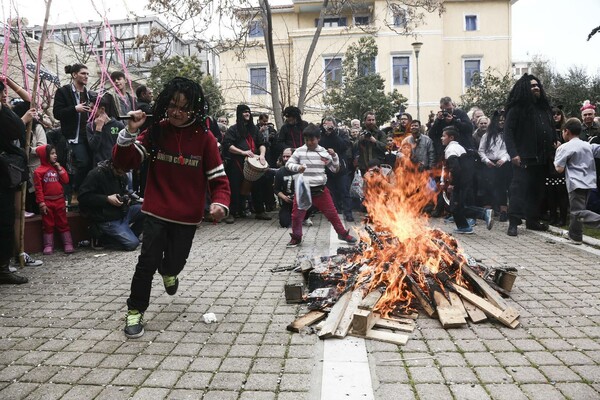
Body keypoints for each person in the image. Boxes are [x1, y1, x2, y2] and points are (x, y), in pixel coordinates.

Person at [112, 77, 230, 339]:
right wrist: (130, 132)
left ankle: (169, 272)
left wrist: (221, 202)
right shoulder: (157, 130)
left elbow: (219, 179)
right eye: (173, 105)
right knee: (146, 263)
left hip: (187, 217)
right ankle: (135, 311)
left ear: (195, 109)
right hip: (156, 210)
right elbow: (125, 161)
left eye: (184, 108)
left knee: (174, 262)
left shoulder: (205, 138)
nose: (177, 113)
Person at [285, 123, 357, 248]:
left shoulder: (324, 152)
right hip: (303, 190)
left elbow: (335, 169)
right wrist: (298, 167)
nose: (309, 143)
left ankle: (342, 234)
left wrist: (334, 156)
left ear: (318, 139)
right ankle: (296, 237)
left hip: (321, 191)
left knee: (332, 215)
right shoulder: (299, 151)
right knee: (297, 216)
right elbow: (288, 164)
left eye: (312, 140)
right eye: (307, 140)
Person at [504, 74, 555, 236]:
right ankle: (513, 223)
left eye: (537, 85)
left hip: (542, 158)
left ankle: (532, 221)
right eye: (532, 86)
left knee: (537, 191)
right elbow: (508, 134)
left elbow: (550, 129)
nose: (536, 88)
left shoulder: (544, 109)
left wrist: (555, 141)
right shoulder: (516, 109)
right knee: (519, 190)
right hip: (524, 158)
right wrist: (513, 154)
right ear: (524, 89)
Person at [78, 159, 144, 251]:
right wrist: (106, 199)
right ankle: (105, 239)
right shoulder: (96, 174)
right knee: (132, 244)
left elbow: (124, 191)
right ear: (113, 166)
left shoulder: (122, 175)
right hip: (106, 219)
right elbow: (83, 197)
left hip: (121, 212)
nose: (122, 174)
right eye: (120, 172)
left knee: (146, 210)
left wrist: (127, 198)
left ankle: (131, 235)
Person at [554, 118, 600, 244]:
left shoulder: (565, 147)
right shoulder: (588, 145)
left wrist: (557, 158)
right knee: (578, 210)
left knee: (578, 212)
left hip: (576, 183)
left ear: (566, 131)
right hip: (589, 183)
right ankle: (575, 236)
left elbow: (559, 169)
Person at [52, 63, 93, 206]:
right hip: (73, 137)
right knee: (83, 162)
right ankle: (75, 192)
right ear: (74, 75)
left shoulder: (88, 94)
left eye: (87, 74)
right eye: (83, 73)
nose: (86, 76)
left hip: (89, 134)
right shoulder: (63, 92)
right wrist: (75, 109)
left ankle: (87, 193)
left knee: (95, 163)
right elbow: (57, 113)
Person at [440, 126, 494, 234]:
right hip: (466, 181)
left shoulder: (451, 150)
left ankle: (484, 213)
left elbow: (455, 169)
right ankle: (464, 227)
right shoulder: (459, 147)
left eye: (444, 136)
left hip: (460, 183)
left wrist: (452, 183)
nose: (442, 138)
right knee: (457, 206)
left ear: (451, 137)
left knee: (457, 207)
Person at [222, 104, 270, 222]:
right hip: (237, 163)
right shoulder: (233, 129)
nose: (247, 113)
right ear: (239, 114)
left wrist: (262, 156)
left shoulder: (254, 129)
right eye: (244, 112)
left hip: (254, 163)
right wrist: (243, 152)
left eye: (248, 111)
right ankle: (231, 213)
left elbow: (262, 144)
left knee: (257, 186)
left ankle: (260, 211)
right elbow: (228, 145)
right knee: (234, 187)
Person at [0, 101, 29, 284]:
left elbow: (17, 129)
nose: (4, 96)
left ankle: (3, 268)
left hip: (3, 178)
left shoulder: (3, 113)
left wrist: (3, 109)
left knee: (4, 221)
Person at [33, 144, 74, 254]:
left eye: (55, 153)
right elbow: (38, 189)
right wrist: (41, 203)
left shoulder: (57, 168)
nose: (55, 155)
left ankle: (68, 243)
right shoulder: (38, 172)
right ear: (44, 155)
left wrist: (60, 168)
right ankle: (48, 244)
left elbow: (65, 180)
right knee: (48, 224)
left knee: (63, 222)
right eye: (52, 154)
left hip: (59, 200)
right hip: (47, 201)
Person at [478, 110, 511, 221]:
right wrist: (486, 161)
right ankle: (487, 212)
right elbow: (481, 151)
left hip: (503, 164)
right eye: (499, 121)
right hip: (489, 164)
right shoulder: (486, 136)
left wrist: (503, 159)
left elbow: (509, 150)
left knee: (502, 188)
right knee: (488, 187)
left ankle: (503, 211)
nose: (501, 123)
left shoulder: (507, 135)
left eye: (503, 121)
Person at [319, 116, 353, 222]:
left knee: (344, 190)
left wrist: (333, 133)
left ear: (334, 125)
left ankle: (348, 213)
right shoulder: (320, 134)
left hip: (340, 166)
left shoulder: (341, 133)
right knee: (330, 192)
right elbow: (320, 146)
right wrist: (325, 133)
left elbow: (343, 146)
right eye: (326, 124)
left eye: (330, 125)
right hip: (326, 166)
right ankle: (334, 212)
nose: (328, 127)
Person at [428, 96, 475, 164]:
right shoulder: (440, 118)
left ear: (452, 105)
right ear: (441, 108)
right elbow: (432, 134)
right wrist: (438, 121)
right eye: (446, 110)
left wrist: (454, 121)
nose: (449, 112)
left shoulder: (460, 113)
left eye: (450, 109)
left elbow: (469, 128)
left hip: (464, 148)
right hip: (446, 151)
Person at [86, 95, 125, 165]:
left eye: (92, 108)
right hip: (99, 166)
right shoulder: (90, 126)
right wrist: (98, 129)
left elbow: (124, 147)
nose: (89, 110)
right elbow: (93, 147)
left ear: (102, 109)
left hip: (116, 165)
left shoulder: (118, 125)